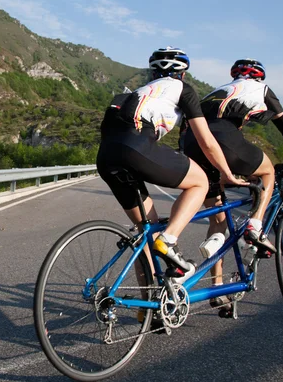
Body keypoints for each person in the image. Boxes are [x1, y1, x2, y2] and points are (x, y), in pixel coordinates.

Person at [96, 47, 248, 283]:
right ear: (183, 74)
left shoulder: (135, 93)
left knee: (146, 230)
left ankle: (148, 308)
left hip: (106, 155)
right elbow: (205, 141)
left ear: (152, 73)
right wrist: (226, 173)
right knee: (200, 182)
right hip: (136, 145)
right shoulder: (183, 89)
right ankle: (168, 241)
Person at [181, 58, 283, 310]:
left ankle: (217, 289)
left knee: (218, 220)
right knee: (268, 172)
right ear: (259, 77)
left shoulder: (215, 93)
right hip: (223, 140)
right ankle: (255, 224)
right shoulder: (262, 90)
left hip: (192, 144)